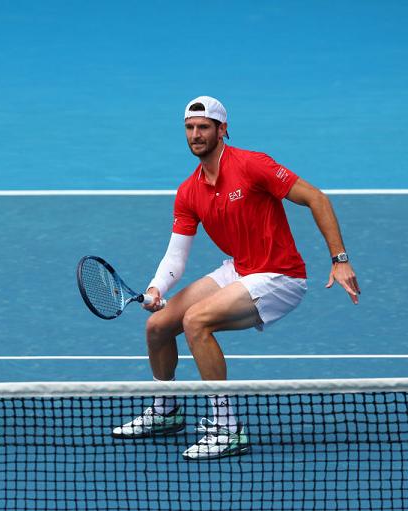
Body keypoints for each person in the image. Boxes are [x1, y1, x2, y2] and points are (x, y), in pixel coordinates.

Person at [111, 96, 360, 460]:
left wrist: (339, 260)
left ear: (222, 130)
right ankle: (166, 412)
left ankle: (228, 429)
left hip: (281, 276)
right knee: (159, 326)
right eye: (190, 128)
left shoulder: (253, 165)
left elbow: (317, 198)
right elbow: (176, 255)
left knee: (197, 321)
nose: (196, 135)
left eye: (204, 127)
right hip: (241, 268)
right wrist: (156, 287)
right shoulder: (188, 191)